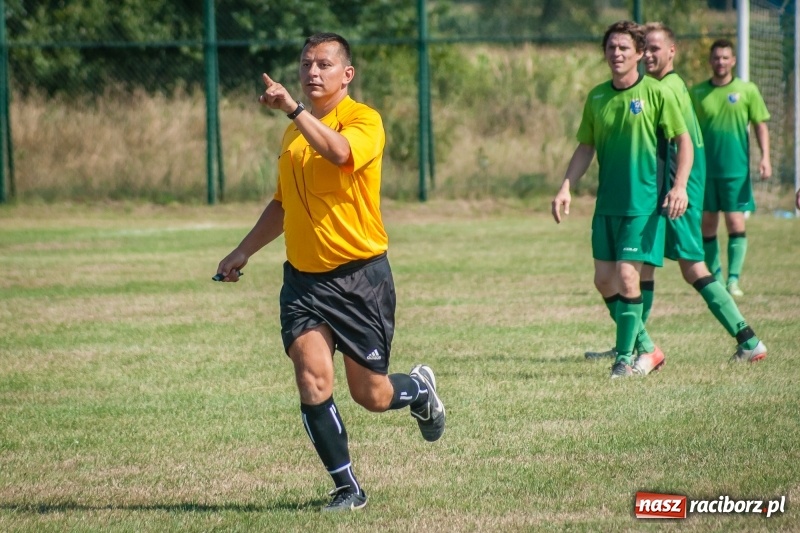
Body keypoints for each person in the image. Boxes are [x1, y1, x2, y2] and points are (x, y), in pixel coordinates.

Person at [215, 33, 445, 512]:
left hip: (360, 279)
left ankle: (419, 389)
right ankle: (347, 488)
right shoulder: (293, 132)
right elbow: (283, 203)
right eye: (305, 63)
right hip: (303, 282)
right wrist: (243, 251)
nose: (312, 72)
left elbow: (340, 154)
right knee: (312, 378)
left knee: (372, 396)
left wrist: (294, 110)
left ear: (347, 75)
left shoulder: (364, 120)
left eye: (323, 64)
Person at [585, 23, 767, 367]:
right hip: (668, 193)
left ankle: (748, 339)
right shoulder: (667, 85)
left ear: (672, 51)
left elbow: (681, 145)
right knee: (642, 272)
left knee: (692, 268)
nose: (650, 54)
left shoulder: (664, 88)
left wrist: (680, 189)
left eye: (655, 48)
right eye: (647, 48)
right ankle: (638, 342)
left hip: (673, 195)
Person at [551, 20, 693, 378]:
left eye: (624, 48)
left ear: (640, 53)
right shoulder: (597, 97)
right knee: (603, 280)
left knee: (628, 278)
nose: (616, 53)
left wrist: (680, 186)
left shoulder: (658, 94)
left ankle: (624, 359)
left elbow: (683, 142)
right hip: (607, 206)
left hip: (644, 205)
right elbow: (586, 146)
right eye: (611, 48)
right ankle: (649, 349)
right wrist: (566, 185)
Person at [689, 39, 772, 298]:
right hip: (705, 171)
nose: (720, 62)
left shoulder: (747, 90)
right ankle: (716, 278)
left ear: (733, 61)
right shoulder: (697, 92)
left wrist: (765, 157)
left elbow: (760, 124)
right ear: (710, 61)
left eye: (725, 57)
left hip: (736, 171)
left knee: (735, 223)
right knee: (707, 225)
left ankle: (733, 280)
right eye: (716, 58)